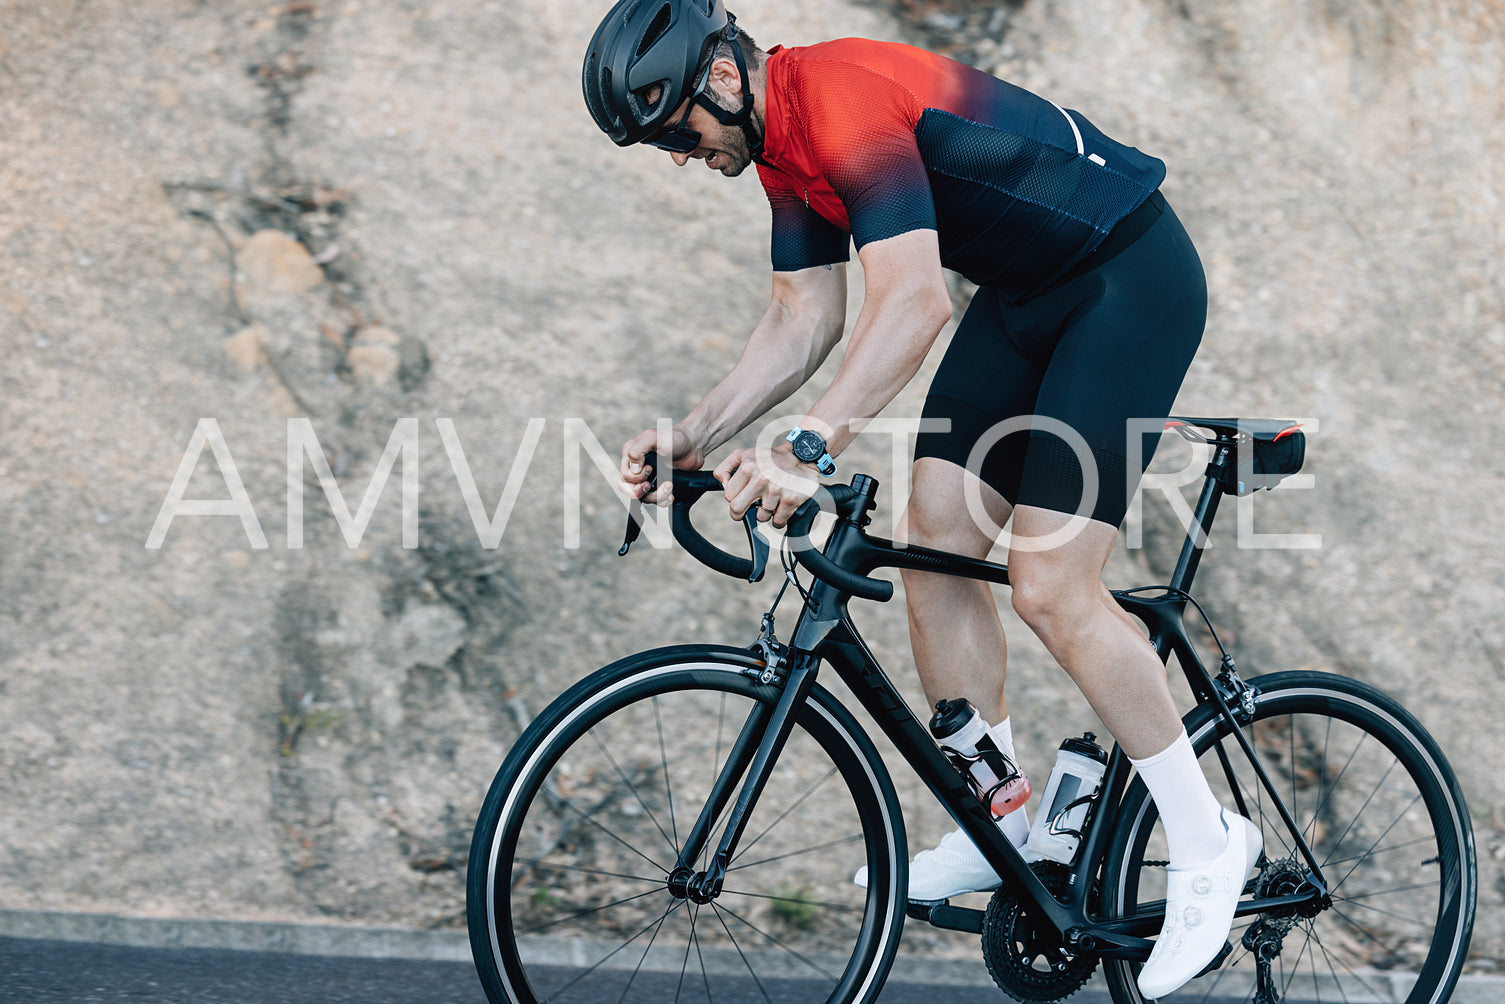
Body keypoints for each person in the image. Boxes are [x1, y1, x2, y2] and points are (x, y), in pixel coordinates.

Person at [584, 1, 1260, 996]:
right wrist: (691, 433)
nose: (679, 157)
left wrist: (809, 443)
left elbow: (911, 301)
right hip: (1026, 296)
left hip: (1125, 280)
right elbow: (801, 315)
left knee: (1050, 584)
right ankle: (1006, 823)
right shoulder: (783, 151)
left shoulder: (842, 101)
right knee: (927, 542)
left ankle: (1206, 839)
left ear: (721, 79)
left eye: (674, 131)